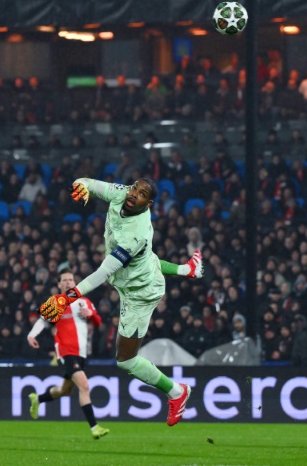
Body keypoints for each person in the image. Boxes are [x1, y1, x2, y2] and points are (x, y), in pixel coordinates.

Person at [39, 177, 203, 426]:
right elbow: (87, 183)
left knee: (126, 360)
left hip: (140, 294)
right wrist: (81, 186)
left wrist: (66, 297)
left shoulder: (134, 236)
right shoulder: (122, 193)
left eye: (142, 194)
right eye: (135, 187)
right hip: (136, 274)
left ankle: (177, 392)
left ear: (148, 204)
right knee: (149, 261)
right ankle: (187, 270)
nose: (134, 193)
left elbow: (102, 273)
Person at [27, 268, 109, 439]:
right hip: (65, 351)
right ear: (59, 284)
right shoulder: (56, 301)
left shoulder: (84, 301)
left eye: (70, 279)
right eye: (64, 280)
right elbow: (43, 321)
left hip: (81, 353)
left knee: (64, 391)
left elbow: (98, 322)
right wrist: (31, 335)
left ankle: (38, 399)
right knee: (84, 386)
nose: (67, 282)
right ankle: (94, 427)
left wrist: (91, 315)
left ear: (75, 282)